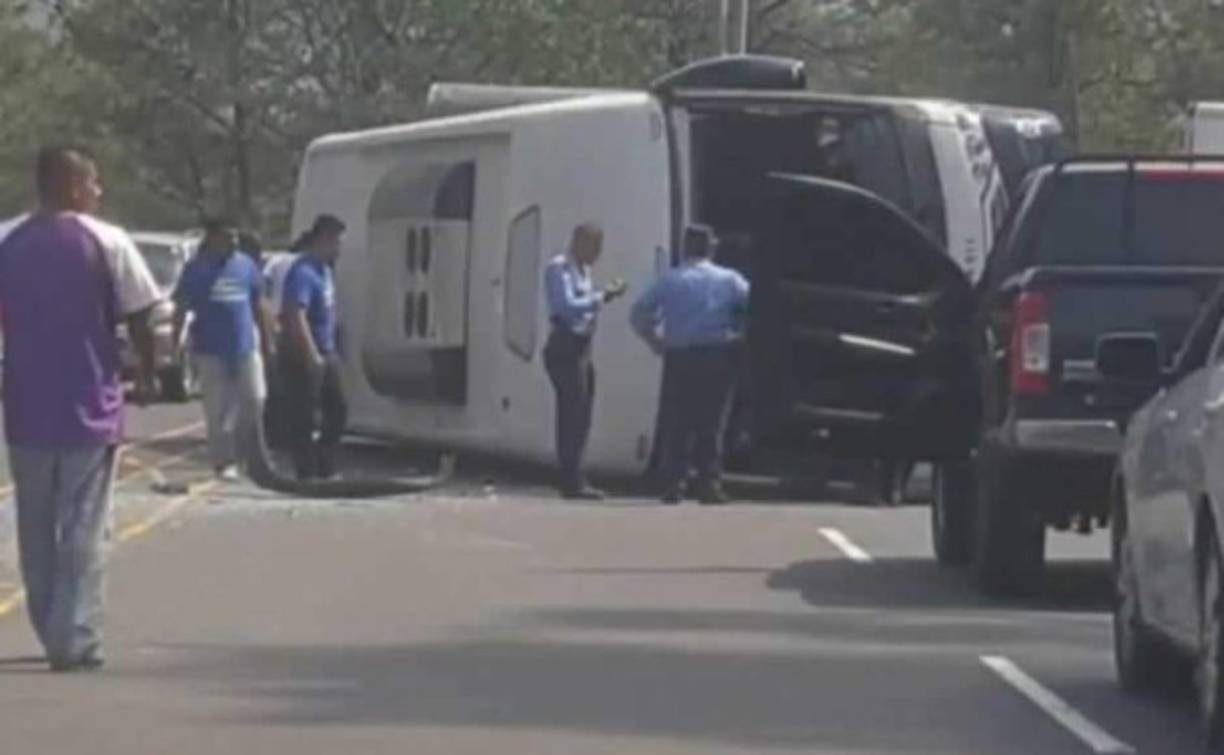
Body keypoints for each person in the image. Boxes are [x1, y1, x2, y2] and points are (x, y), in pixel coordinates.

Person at [0, 146, 162, 671]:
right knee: (85, 529)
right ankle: (76, 636)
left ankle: (53, 630)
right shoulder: (108, 240)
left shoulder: (6, 241)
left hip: (26, 407)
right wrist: (146, 370)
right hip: (90, 405)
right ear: (71, 184)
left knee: (36, 527)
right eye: (93, 182)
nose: (99, 192)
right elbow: (142, 311)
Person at [630, 225, 750, 505]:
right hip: (717, 354)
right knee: (712, 422)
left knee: (678, 421)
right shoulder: (729, 279)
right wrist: (741, 333)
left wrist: (654, 340)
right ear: (711, 247)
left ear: (685, 247)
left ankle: (674, 483)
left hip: (679, 355)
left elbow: (639, 313)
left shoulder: (670, 280)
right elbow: (753, 305)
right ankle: (708, 483)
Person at [171, 217, 273, 480]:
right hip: (210, 349)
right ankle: (223, 460)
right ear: (213, 238)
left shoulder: (246, 266)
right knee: (217, 410)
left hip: (245, 346)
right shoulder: (195, 270)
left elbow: (259, 304)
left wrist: (268, 339)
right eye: (228, 236)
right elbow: (181, 308)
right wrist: (175, 342)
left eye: (236, 237)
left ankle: (247, 455)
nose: (234, 242)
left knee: (255, 398)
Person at [542, 223, 627, 500]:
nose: (597, 254)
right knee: (571, 413)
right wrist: (602, 297)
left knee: (583, 412)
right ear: (579, 242)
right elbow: (564, 306)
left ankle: (576, 474)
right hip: (564, 345)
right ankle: (570, 480)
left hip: (582, 345)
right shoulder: (559, 268)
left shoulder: (584, 270)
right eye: (595, 246)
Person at [279, 214, 347, 481]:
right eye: (337, 242)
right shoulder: (303, 272)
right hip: (304, 353)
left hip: (328, 350)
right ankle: (305, 471)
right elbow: (296, 316)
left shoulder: (326, 271)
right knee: (304, 415)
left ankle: (325, 464)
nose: (339, 249)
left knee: (339, 409)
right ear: (324, 240)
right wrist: (312, 355)